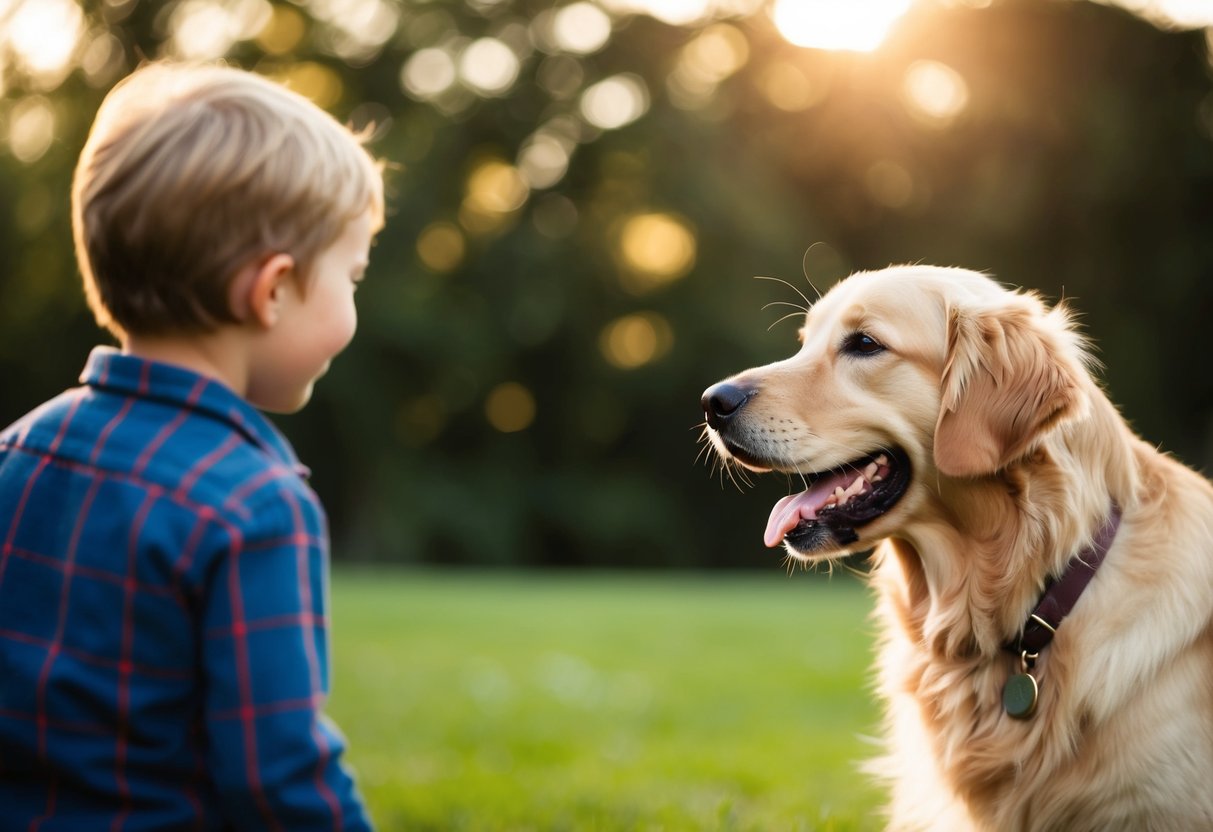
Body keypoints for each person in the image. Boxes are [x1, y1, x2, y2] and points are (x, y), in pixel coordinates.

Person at [0, 61, 382, 830]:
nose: (353, 305)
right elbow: (278, 779)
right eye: (351, 276)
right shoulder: (256, 505)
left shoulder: (15, 452)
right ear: (271, 290)